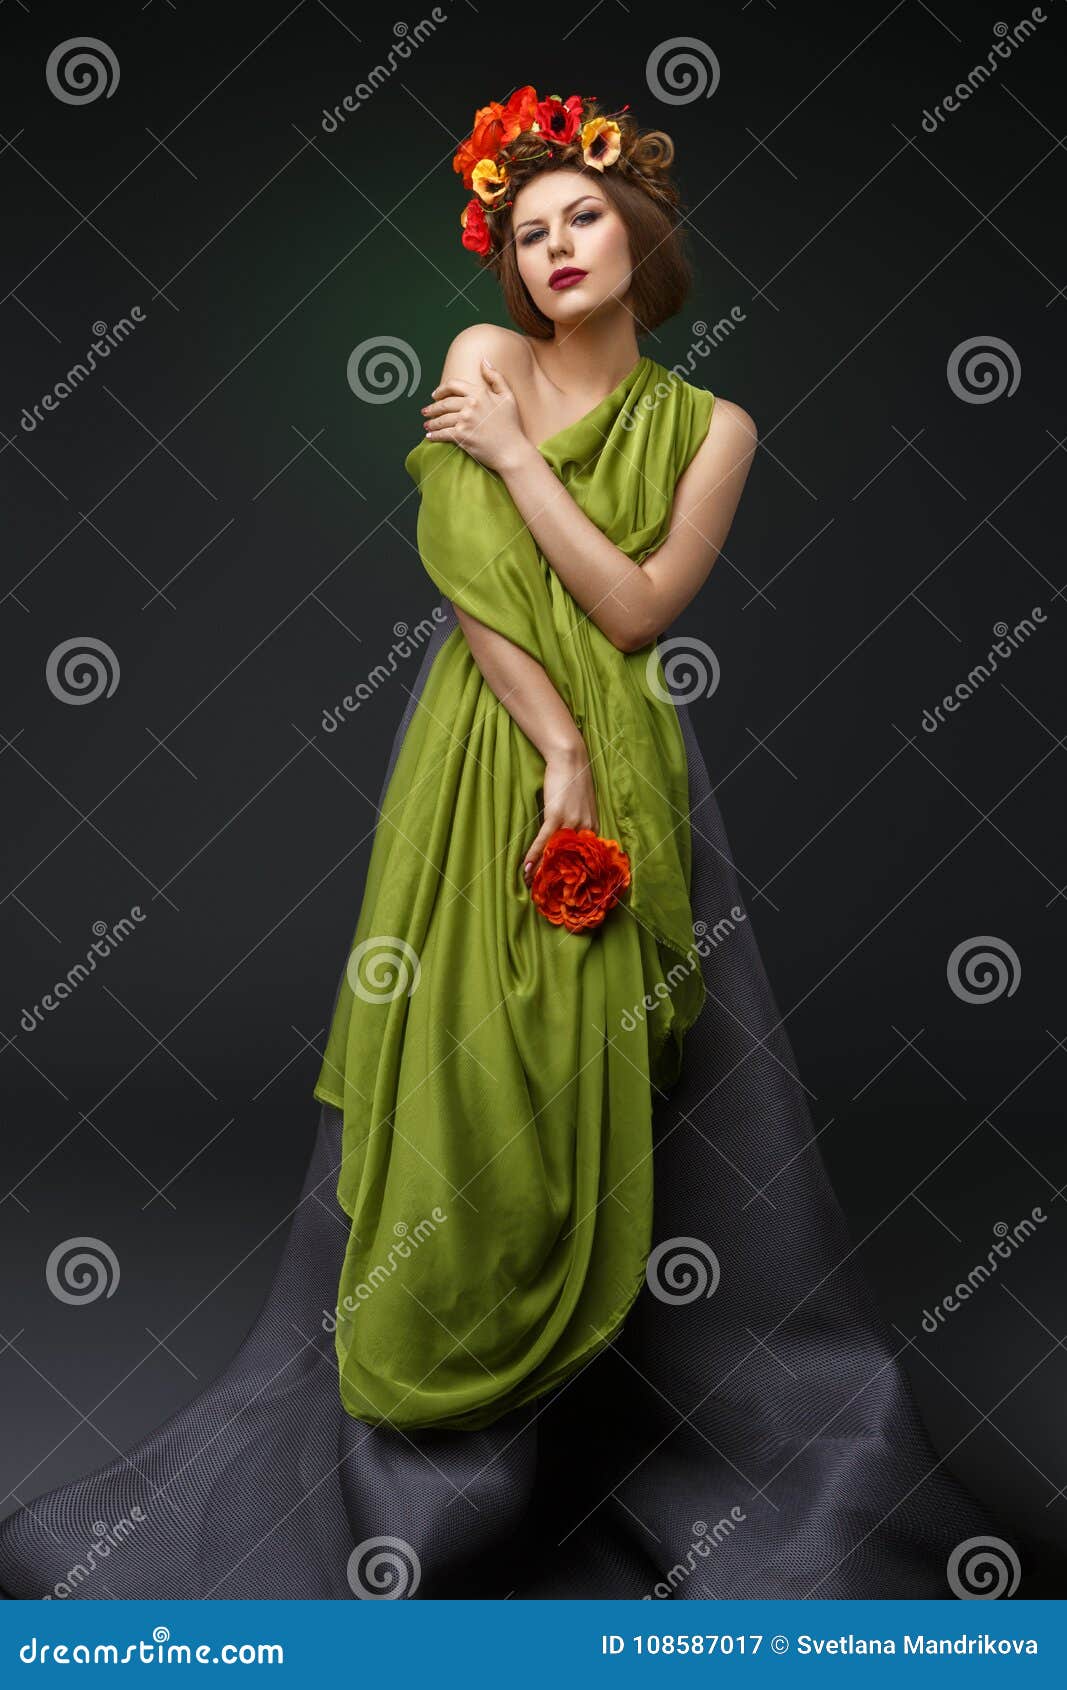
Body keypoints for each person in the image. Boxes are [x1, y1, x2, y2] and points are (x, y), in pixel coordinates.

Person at [0, 83, 1007, 1601]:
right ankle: (441, 1401)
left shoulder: (713, 424)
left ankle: (651, 1395)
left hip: (635, 758)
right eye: (527, 233)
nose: (554, 251)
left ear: (639, 227)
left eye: (582, 216)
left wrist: (529, 473)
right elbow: (467, 562)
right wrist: (554, 747)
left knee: (646, 1064)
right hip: (495, 740)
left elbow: (639, 607)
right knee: (463, 1044)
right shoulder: (482, 360)